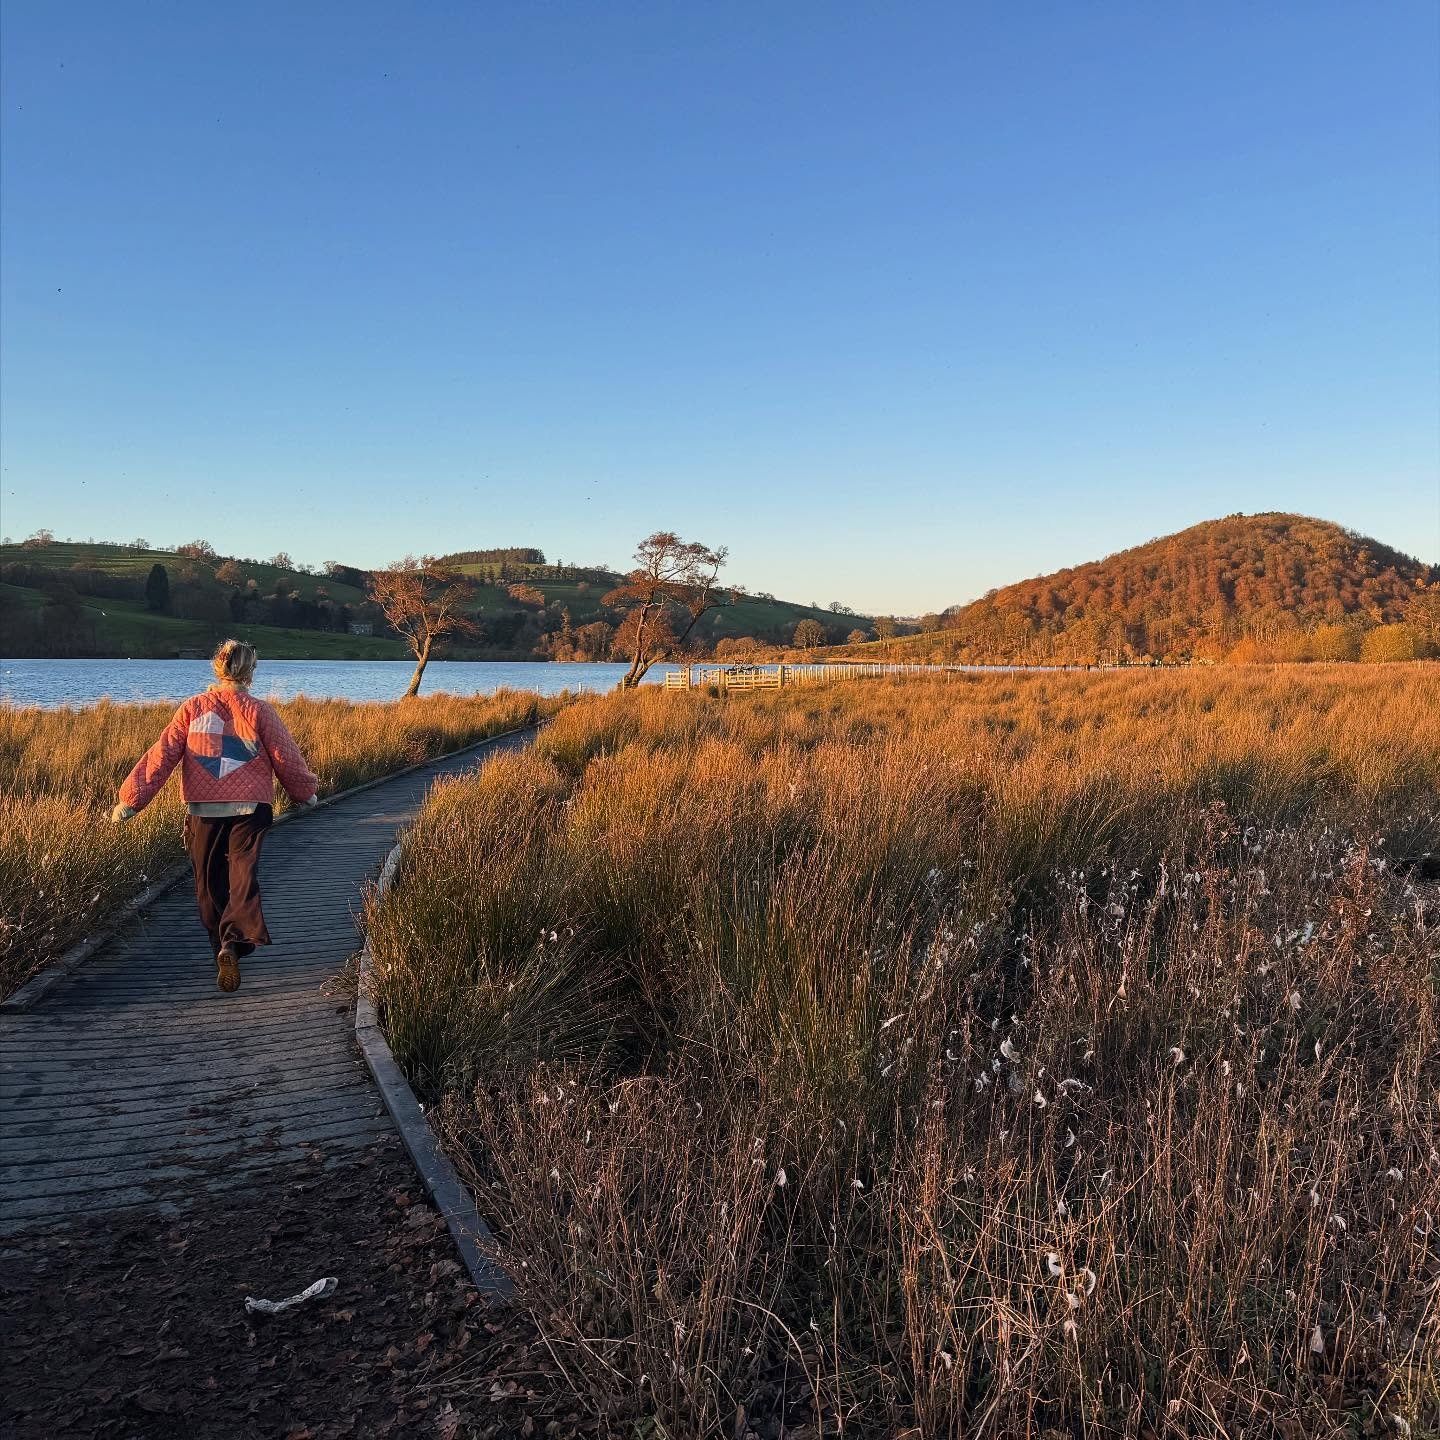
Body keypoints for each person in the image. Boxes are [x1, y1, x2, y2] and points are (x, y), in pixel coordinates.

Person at [110, 639, 320, 993]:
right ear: (250, 671)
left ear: (217, 668)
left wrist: (131, 800)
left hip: (203, 810)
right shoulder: (260, 711)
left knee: (208, 884)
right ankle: (234, 943)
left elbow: (161, 756)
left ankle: (223, 947)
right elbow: (286, 757)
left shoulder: (192, 708)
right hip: (250, 809)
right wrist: (305, 792)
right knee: (243, 878)